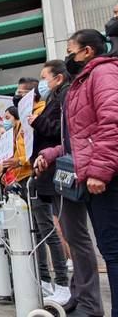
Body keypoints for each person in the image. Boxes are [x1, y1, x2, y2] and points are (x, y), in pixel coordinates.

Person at [37, 29, 118, 317]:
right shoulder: (79, 84)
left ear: (88, 51)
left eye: (71, 51)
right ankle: (85, 302)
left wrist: (100, 171)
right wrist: (52, 153)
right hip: (76, 172)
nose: (67, 56)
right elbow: (78, 139)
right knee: (80, 239)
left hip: (100, 175)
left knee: (112, 250)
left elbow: (111, 123)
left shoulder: (104, 73)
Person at [27, 60, 72, 305]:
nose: (42, 82)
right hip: (41, 172)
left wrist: (36, 122)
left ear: (58, 78)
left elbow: (60, 132)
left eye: (45, 77)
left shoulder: (63, 99)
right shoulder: (53, 100)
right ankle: (45, 279)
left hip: (54, 169)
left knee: (53, 231)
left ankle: (63, 282)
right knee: (41, 230)